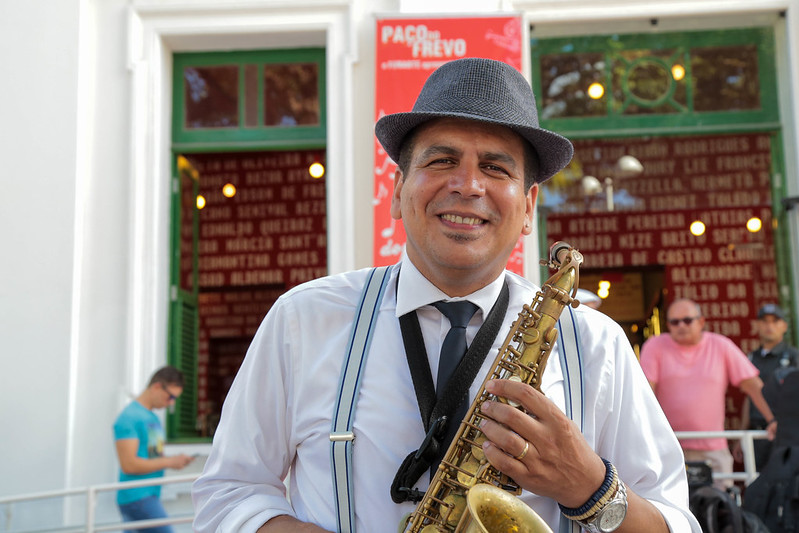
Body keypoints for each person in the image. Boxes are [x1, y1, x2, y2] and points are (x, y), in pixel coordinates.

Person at [192, 58, 699, 532]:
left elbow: (677, 521)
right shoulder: (303, 318)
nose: (467, 184)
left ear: (528, 208)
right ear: (396, 190)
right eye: (441, 160)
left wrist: (591, 487)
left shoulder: (595, 343)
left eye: (497, 168)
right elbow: (228, 493)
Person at [639, 298, 777, 490]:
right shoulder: (655, 345)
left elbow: (754, 386)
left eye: (687, 320)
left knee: (722, 511)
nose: (681, 326)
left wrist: (774, 420)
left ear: (701, 322)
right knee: (669, 513)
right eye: (674, 322)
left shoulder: (721, 345)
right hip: (668, 448)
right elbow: (644, 392)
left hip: (713, 449)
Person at [113, 366, 195, 532]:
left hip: (149, 495)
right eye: (170, 396)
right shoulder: (129, 417)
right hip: (137, 497)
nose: (171, 402)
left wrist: (174, 461)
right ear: (157, 386)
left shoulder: (152, 417)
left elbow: (153, 457)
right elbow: (129, 464)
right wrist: (170, 461)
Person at [734, 303, 799, 470]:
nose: (769, 326)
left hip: (784, 434)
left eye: (775, 321)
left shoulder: (793, 356)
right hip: (757, 433)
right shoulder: (751, 357)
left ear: (784, 326)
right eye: (764, 321)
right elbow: (750, 397)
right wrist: (742, 434)